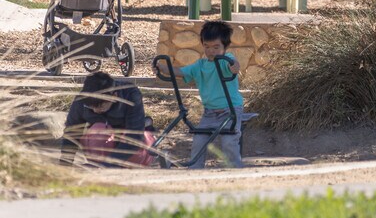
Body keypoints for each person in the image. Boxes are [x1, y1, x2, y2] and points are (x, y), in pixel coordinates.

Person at [155, 20, 244, 169]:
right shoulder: (200, 65)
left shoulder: (225, 60)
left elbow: (234, 65)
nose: (211, 51)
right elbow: (181, 72)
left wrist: (234, 66)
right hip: (209, 113)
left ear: (225, 47)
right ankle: (195, 170)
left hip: (231, 111)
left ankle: (235, 170)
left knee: (228, 142)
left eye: (216, 47)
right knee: (198, 141)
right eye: (207, 47)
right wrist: (164, 68)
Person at [60, 71, 155, 167]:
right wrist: (65, 165)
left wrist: (107, 165)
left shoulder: (130, 94)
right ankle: (100, 165)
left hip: (132, 148)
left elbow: (135, 137)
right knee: (98, 129)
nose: (96, 111)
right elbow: (71, 134)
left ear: (114, 96)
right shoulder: (82, 100)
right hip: (103, 145)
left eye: (101, 106)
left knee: (141, 142)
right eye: (91, 107)